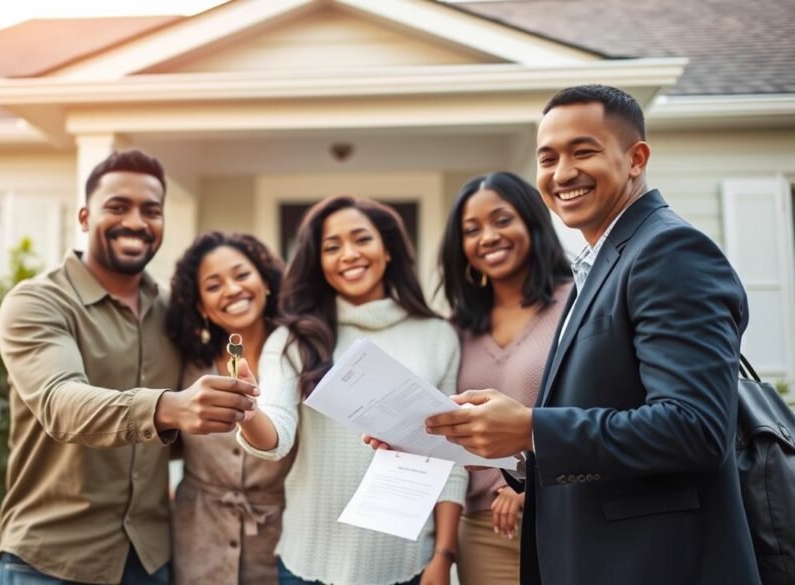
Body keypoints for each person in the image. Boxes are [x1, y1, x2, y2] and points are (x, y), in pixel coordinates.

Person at [426, 85, 759, 584]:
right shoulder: (602, 261)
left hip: (655, 564)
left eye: (583, 151)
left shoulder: (670, 251)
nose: (562, 173)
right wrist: (483, 436)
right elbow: (599, 415)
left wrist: (532, 428)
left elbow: (695, 428)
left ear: (636, 158)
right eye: (548, 158)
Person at [0, 150, 259, 585]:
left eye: (151, 211)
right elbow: (61, 403)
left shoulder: (173, 312)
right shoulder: (37, 303)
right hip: (53, 561)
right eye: (117, 207)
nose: (136, 221)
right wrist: (168, 407)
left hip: (151, 559)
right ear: (84, 217)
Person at [236, 196, 468, 585]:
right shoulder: (295, 338)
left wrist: (444, 556)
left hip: (409, 560)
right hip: (310, 559)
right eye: (332, 247)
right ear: (318, 262)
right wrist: (247, 411)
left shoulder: (438, 335)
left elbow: (450, 456)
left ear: (388, 249)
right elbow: (276, 434)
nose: (348, 254)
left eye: (361, 239)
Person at [437, 172, 572, 585]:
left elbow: (596, 407)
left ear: (532, 221)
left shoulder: (578, 303)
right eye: (471, 230)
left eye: (502, 219)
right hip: (482, 531)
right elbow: (451, 427)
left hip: (567, 516)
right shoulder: (456, 329)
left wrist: (537, 484)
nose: (488, 237)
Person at [164, 231, 295, 584]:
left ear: (265, 282)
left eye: (241, 275)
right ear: (201, 306)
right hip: (197, 543)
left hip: (278, 544)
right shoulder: (188, 367)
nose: (232, 289)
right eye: (214, 284)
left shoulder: (297, 356)